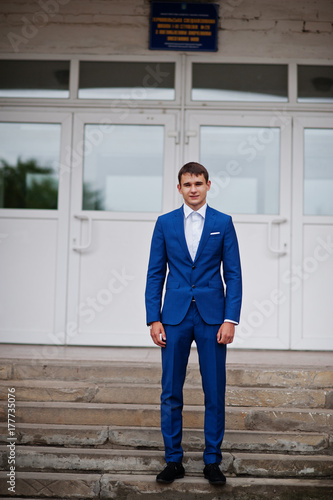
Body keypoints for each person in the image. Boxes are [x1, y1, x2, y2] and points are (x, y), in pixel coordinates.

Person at [145, 162, 242, 486]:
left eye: (198, 183)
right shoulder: (165, 223)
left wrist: (231, 318)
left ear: (208, 185)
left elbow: (233, 274)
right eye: (187, 184)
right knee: (170, 391)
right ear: (179, 188)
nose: (193, 189)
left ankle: (212, 462)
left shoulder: (223, 223)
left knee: (214, 391)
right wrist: (153, 318)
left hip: (213, 318)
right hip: (173, 317)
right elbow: (155, 273)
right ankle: (174, 460)